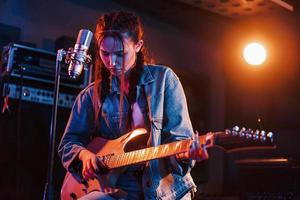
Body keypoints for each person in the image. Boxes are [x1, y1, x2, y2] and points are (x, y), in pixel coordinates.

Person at [58, 10, 208, 200]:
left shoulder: (164, 80)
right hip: (112, 188)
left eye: (120, 54)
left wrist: (186, 154)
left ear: (138, 46)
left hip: (163, 190)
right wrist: (84, 155)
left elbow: (178, 142)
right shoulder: (90, 95)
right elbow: (68, 142)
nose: (111, 62)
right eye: (105, 53)